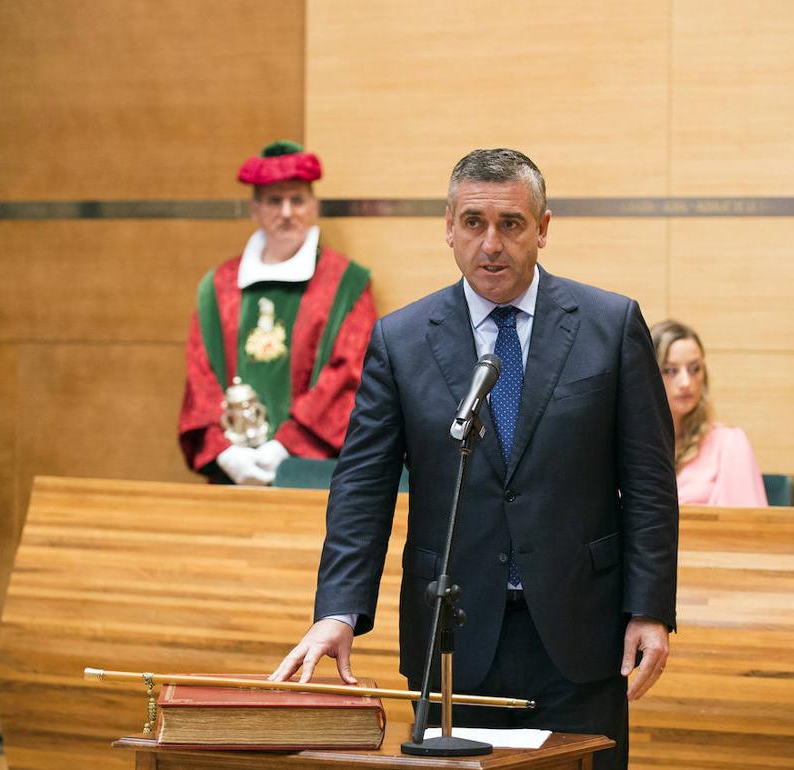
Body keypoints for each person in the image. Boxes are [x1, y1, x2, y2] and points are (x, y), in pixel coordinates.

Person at [272, 148, 678, 769]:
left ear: (542, 228)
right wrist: (339, 610)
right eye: (473, 223)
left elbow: (649, 482)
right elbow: (363, 488)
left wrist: (649, 608)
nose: (492, 243)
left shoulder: (610, 324)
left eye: (511, 224)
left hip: (580, 633)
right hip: (454, 635)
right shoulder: (400, 340)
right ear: (448, 227)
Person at [178, 140, 376, 485]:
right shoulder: (218, 286)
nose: (286, 213)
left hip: (311, 470)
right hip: (232, 471)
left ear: (313, 205)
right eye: (274, 201)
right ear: (254, 208)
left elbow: (349, 373)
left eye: (297, 200)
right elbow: (201, 375)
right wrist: (226, 452)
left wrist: (283, 447)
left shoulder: (347, 284)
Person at [650, 320, 767, 507]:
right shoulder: (627, 446)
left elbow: (748, 528)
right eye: (670, 371)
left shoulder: (729, 444)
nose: (686, 382)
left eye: (695, 369)